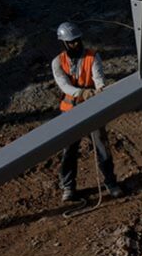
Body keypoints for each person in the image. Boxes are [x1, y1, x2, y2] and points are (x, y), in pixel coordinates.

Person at [52, 21, 124, 202]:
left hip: (92, 109)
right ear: (64, 43)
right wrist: (82, 93)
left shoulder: (93, 57)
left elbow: (98, 78)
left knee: (102, 148)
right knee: (69, 150)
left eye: (77, 40)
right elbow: (64, 85)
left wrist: (99, 89)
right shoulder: (57, 63)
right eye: (71, 42)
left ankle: (110, 182)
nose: (76, 44)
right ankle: (68, 187)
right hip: (70, 112)